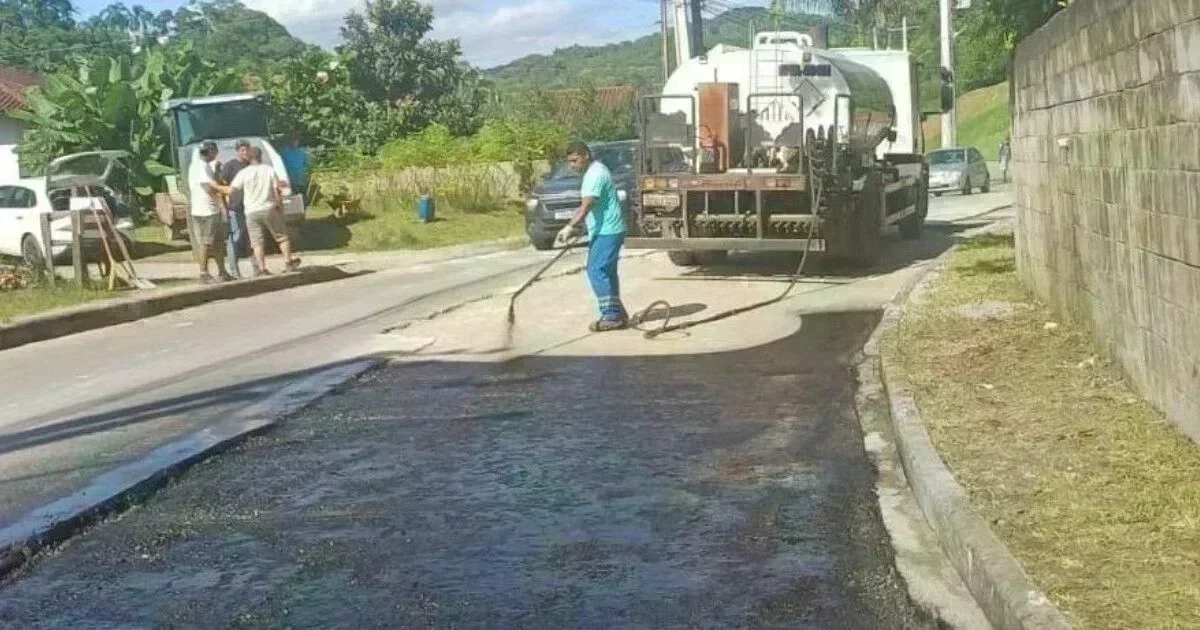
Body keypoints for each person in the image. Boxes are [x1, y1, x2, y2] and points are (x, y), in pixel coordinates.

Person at [555, 141, 629, 332]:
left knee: (596, 270)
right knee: (607, 272)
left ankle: (611, 316)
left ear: (585, 155)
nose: (572, 166)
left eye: (575, 160)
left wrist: (570, 227)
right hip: (608, 229)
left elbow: (586, 205)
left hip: (608, 230)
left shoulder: (594, 175)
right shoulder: (596, 170)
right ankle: (617, 312)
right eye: (569, 162)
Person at [220, 147, 301, 276]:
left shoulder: (244, 173)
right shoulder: (269, 170)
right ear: (260, 156)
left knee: (257, 242)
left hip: (251, 211)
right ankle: (288, 262)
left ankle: (262, 268)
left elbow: (231, 190)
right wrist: (280, 206)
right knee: (281, 237)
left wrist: (215, 187)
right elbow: (277, 190)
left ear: (249, 158)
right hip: (268, 207)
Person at [188, 140, 234, 284]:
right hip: (206, 210)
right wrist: (224, 192)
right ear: (210, 151)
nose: (217, 154)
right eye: (215, 151)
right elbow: (209, 187)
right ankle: (204, 273)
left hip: (207, 209)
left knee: (218, 242)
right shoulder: (200, 166)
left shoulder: (203, 166)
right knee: (206, 243)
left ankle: (222, 271)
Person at [219, 139, 261, 279]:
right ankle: (234, 270)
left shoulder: (251, 165)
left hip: (250, 206)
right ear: (237, 151)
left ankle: (257, 267)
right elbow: (222, 186)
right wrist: (224, 205)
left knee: (252, 238)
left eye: (247, 150)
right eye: (242, 150)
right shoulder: (230, 165)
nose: (245, 153)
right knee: (235, 239)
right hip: (235, 207)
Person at [279, 135, 311, 206]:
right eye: (293, 141)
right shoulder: (284, 152)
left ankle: (303, 207)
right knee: (292, 196)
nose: (294, 143)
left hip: (301, 177)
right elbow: (281, 164)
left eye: (296, 141)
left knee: (302, 195)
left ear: (298, 142)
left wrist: (306, 174)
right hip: (289, 178)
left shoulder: (302, 152)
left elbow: (307, 164)